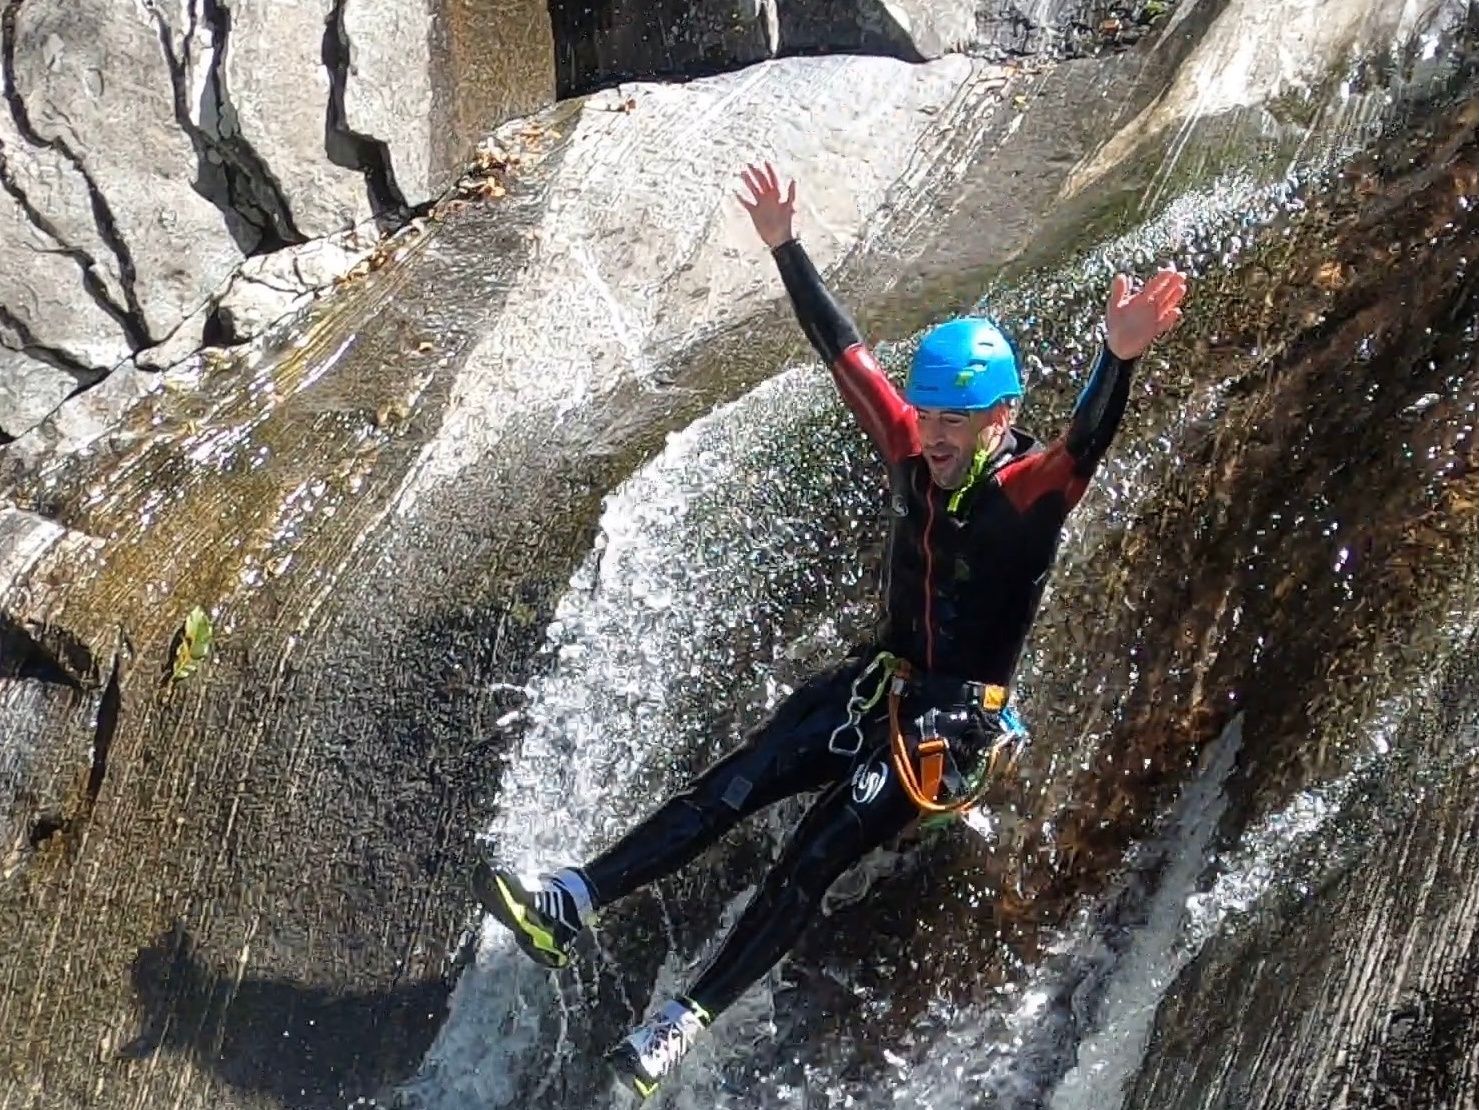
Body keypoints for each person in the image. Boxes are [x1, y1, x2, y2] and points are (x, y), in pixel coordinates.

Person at [471, 161, 1188, 1098]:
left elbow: (1088, 436)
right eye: (928, 416)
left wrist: (1119, 356)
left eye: (955, 423)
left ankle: (681, 1022)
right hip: (878, 683)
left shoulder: (1028, 492)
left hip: (950, 729)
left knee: (808, 856)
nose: (932, 437)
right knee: (726, 788)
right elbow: (840, 347)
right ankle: (572, 899)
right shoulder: (905, 445)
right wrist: (785, 247)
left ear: (1000, 418)